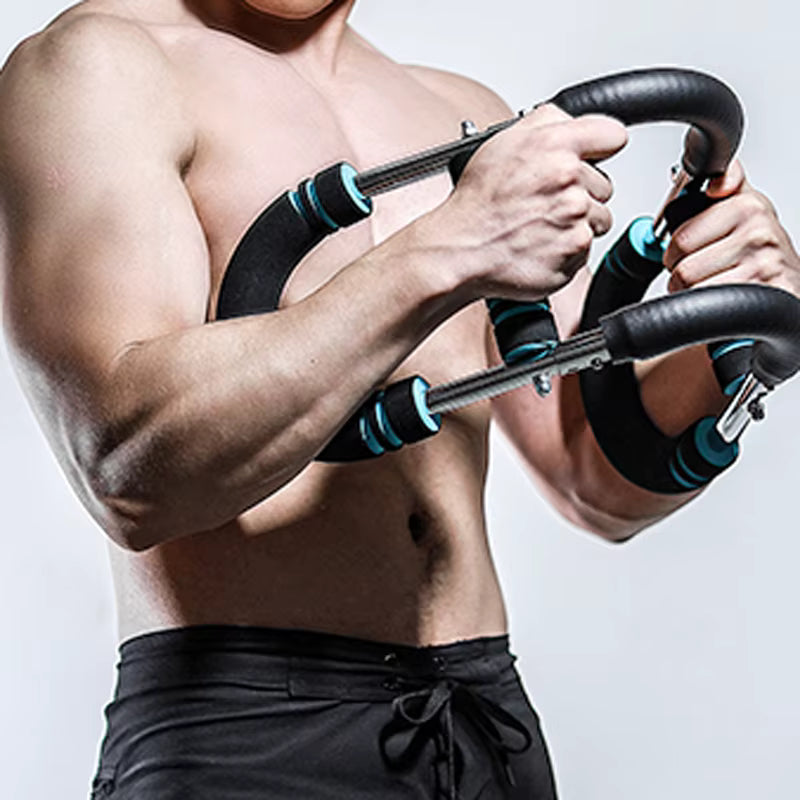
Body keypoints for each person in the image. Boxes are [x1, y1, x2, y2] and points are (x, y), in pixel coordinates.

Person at [1, 1, 798, 798]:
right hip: (249, 730)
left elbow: (597, 476)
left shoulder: (462, 109)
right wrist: (446, 249)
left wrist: (730, 318)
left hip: (485, 718)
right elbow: (127, 471)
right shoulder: (98, 66)